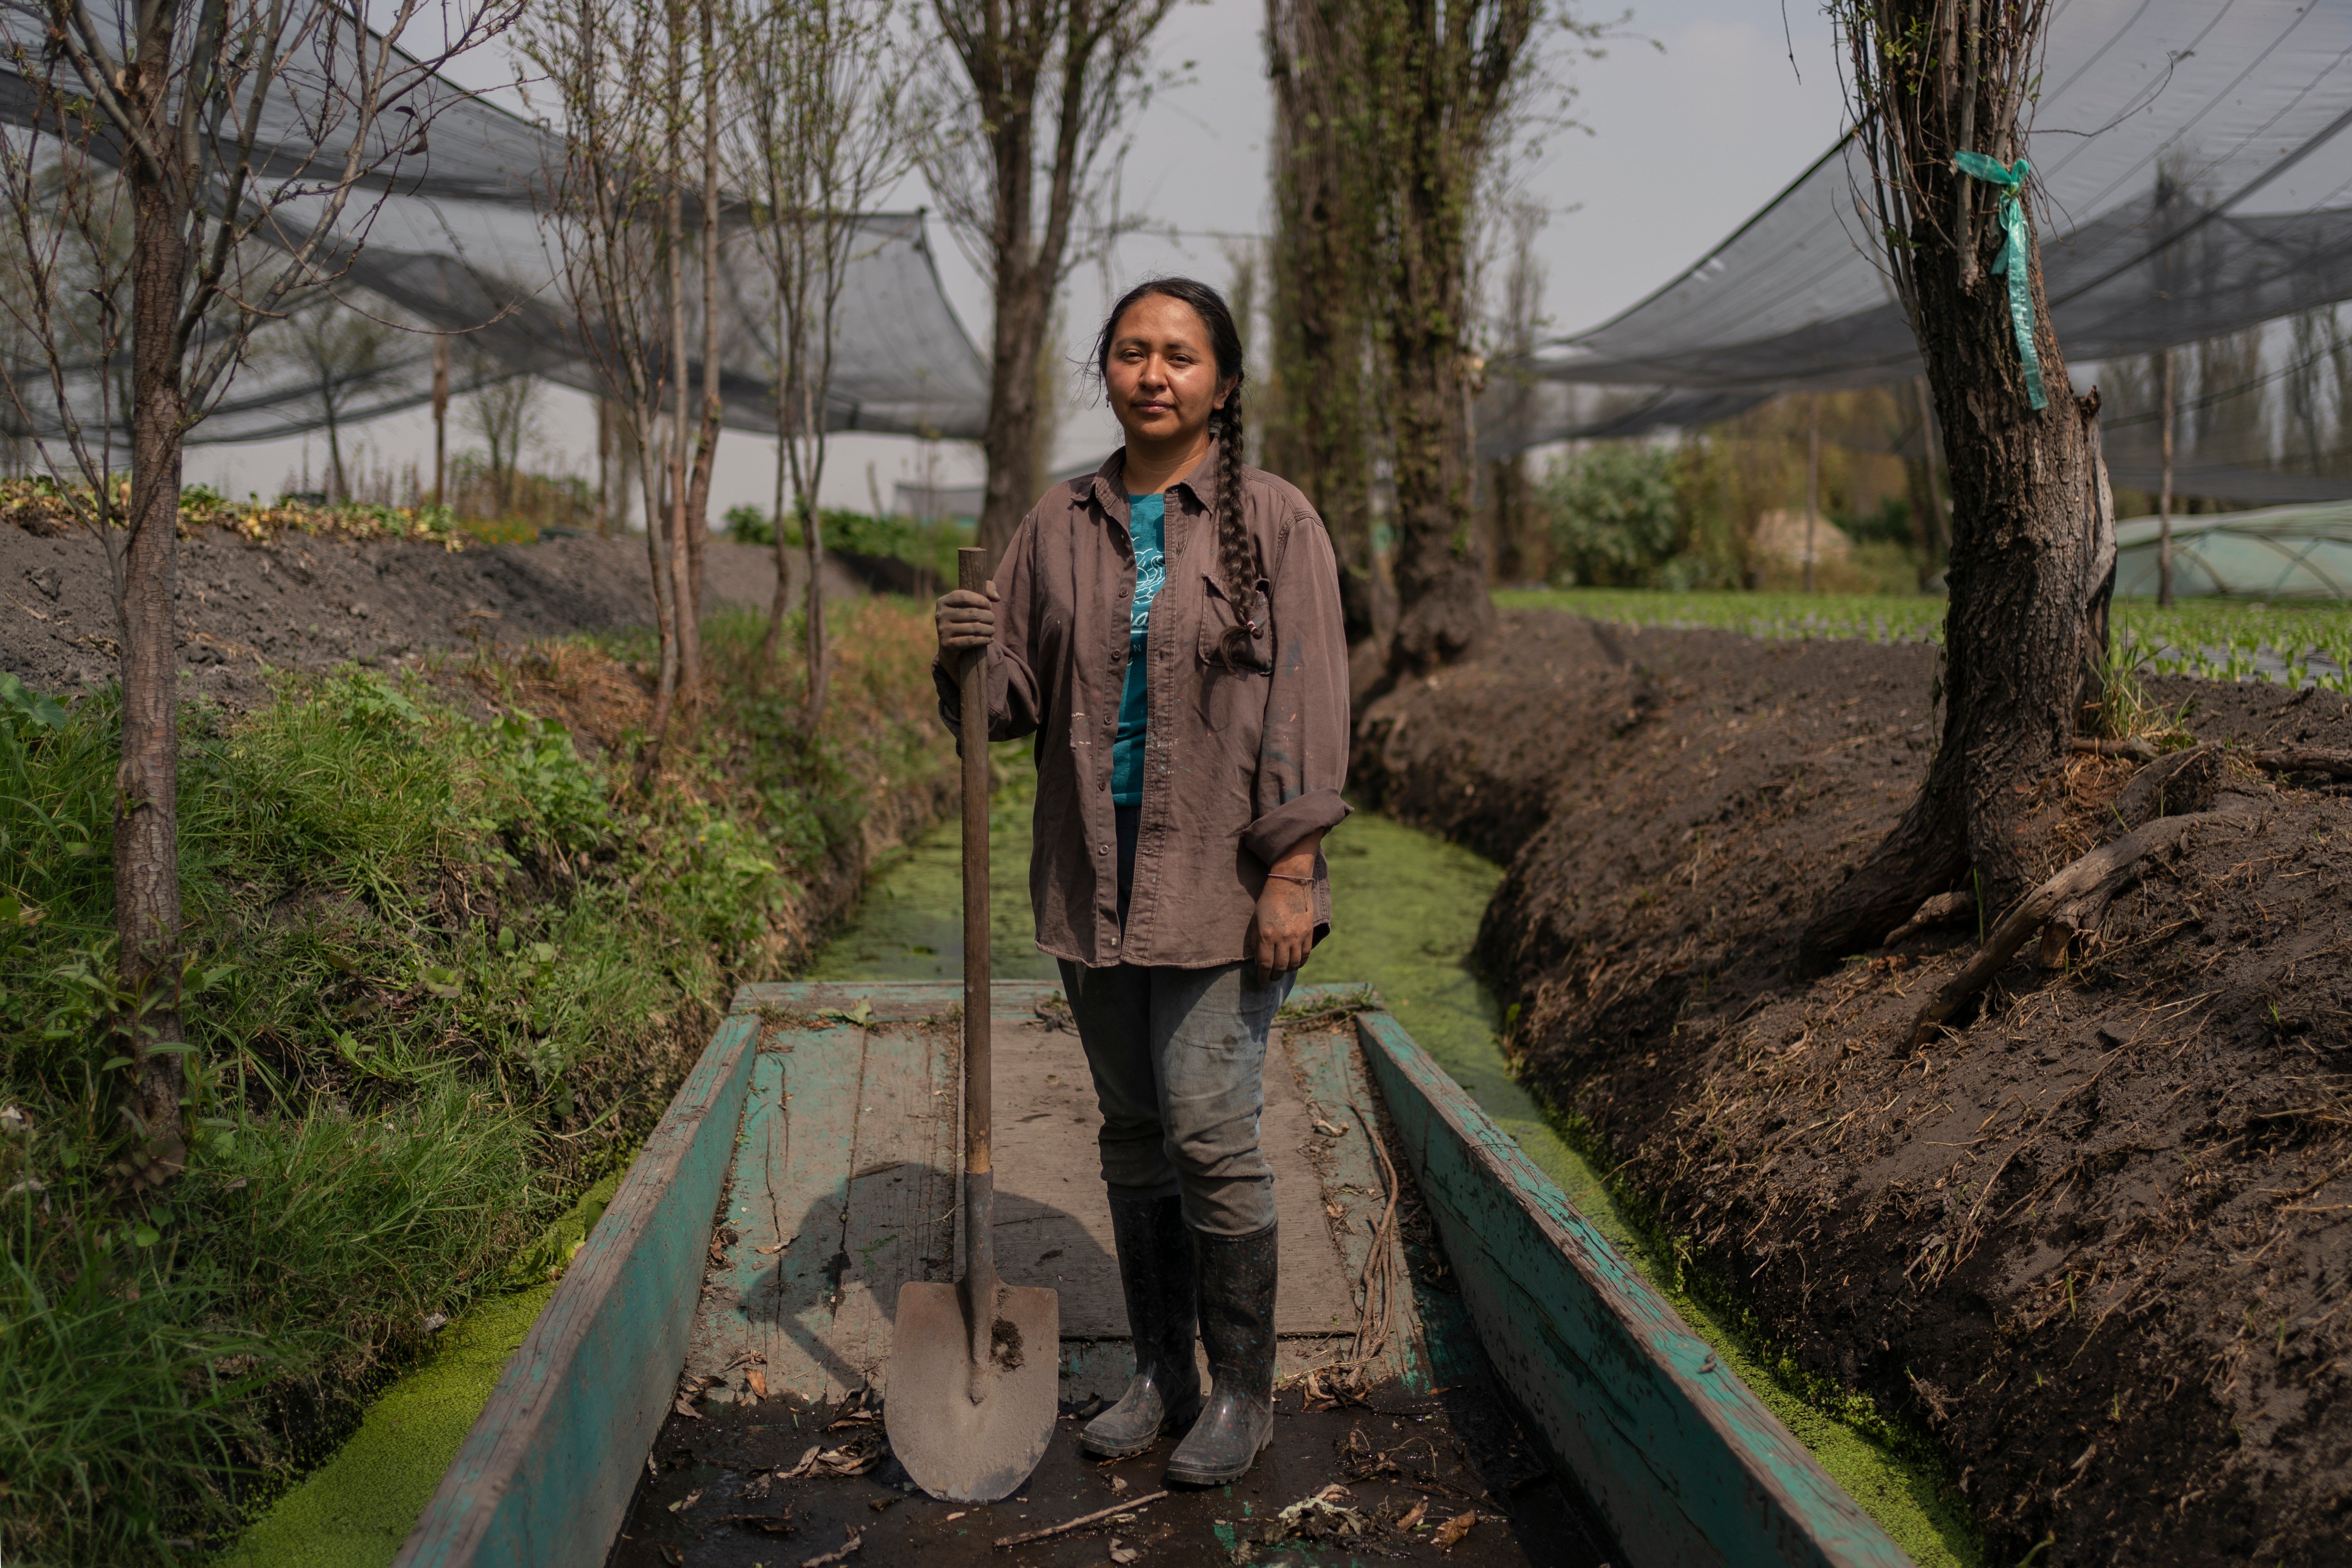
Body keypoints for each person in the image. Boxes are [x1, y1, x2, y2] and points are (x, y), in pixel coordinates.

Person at [933, 277, 1350, 1485]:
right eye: (1130, 353)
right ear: (1105, 373)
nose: (1152, 373)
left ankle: (1241, 1397)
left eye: (1178, 355)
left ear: (1221, 382)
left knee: (1210, 1130)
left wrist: (1295, 867)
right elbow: (1006, 706)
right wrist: (964, 652)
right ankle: (1163, 1372)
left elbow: (1311, 698)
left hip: (1224, 878)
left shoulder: (1274, 521)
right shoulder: (1057, 523)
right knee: (1132, 1134)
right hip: (1092, 872)